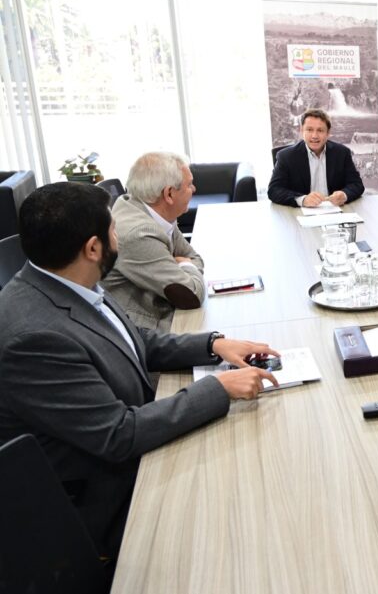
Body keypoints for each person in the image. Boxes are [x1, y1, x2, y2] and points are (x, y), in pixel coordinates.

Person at [0, 182, 280, 557]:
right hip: (107, 502)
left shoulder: (66, 282)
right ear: (93, 248)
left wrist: (212, 344)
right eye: (114, 229)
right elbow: (119, 434)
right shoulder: (34, 339)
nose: (120, 237)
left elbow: (132, 339)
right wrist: (220, 387)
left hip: (135, 445)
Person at [102, 152, 205, 331]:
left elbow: (193, 257)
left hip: (167, 309)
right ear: (169, 194)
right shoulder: (139, 234)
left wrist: (184, 265)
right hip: (147, 328)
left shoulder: (155, 212)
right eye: (189, 185)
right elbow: (192, 295)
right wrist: (186, 265)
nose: (194, 189)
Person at [268, 108, 365, 207]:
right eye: (309, 130)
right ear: (301, 131)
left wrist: (344, 195)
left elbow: (356, 184)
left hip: (335, 210)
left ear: (328, 133)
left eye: (320, 130)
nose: (314, 136)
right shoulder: (286, 156)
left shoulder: (342, 153)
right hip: (299, 212)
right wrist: (303, 200)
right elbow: (274, 190)